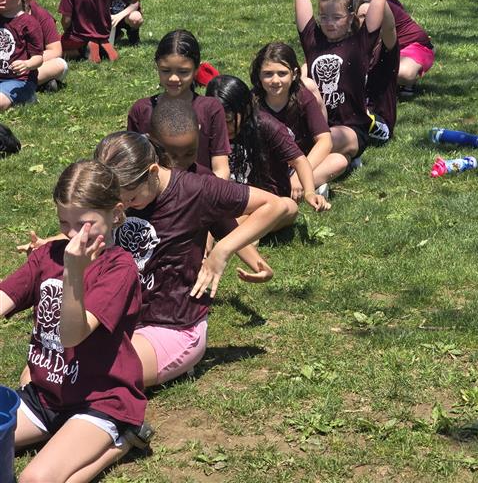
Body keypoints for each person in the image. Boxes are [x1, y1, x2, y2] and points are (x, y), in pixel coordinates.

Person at [94, 131, 294, 386]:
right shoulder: (120, 193)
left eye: (131, 198)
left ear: (153, 171)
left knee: (95, 376)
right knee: (48, 369)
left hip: (172, 326)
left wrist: (222, 251)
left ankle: (125, 422)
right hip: (120, 316)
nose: (123, 206)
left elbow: (275, 205)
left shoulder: (195, 189)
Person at [0, 160, 148, 483]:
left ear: (116, 213)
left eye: (83, 223)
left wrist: (72, 273)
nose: (70, 233)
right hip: (44, 395)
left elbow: (72, 335)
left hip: (100, 400)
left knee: (34, 479)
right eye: (63, 221)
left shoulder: (119, 269)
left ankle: (120, 439)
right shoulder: (47, 255)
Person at [295, 0, 386, 163]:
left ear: (351, 18)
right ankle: (313, 180)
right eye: (324, 17)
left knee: (318, 141)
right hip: (317, 124)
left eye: (336, 18)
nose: (328, 23)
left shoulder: (360, 43)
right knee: (335, 162)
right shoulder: (313, 40)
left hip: (349, 129)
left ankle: (299, 173)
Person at [206, 75, 330, 213]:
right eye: (217, 120)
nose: (223, 127)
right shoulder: (206, 129)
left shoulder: (266, 126)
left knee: (288, 207)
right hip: (228, 199)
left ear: (246, 109)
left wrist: (309, 192)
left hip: (268, 200)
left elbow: (299, 161)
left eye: (228, 121)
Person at [128, 30, 231, 179]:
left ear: (196, 70)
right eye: (165, 70)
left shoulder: (210, 109)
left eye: (183, 72)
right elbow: (133, 166)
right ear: (157, 66)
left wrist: (209, 196)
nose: (174, 78)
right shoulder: (142, 110)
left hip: (200, 193)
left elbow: (221, 169)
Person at [250, 41, 348, 197]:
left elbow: (325, 140)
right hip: (266, 168)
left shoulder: (303, 97)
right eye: (268, 74)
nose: (275, 80)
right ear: (258, 75)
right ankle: (301, 188)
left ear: (294, 74)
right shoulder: (252, 102)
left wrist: (298, 177)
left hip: (298, 164)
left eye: (282, 73)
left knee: (339, 160)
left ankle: (297, 186)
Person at [0, 0, 43, 112]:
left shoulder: (29, 23)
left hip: (18, 80)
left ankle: (27, 96)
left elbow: (38, 58)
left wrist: (27, 64)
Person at [24, 0, 68, 94]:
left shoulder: (40, 15)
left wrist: (27, 62)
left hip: (31, 64)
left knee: (60, 64)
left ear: (27, 0)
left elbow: (55, 51)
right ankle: (38, 83)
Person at [148, 96, 205, 174]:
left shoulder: (205, 179)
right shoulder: (141, 179)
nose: (181, 165)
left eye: (189, 154)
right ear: (152, 140)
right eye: (172, 156)